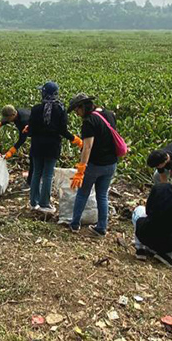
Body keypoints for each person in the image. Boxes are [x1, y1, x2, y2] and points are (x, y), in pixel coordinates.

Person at [67, 93, 119, 236]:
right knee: (102, 195)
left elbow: (87, 147)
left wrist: (81, 169)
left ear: (82, 106)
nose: (77, 114)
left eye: (77, 110)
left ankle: (75, 224)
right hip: (111, 163)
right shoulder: (108, 114)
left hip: (95, 164)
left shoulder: (89, 121)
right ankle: (102, 227)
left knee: (82, 194)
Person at [26, 82, 81, 213]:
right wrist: (75, 139)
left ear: (44, 93)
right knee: (48, 175)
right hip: (52, 146)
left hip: (37, 145)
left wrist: (30, 130)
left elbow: (31, 131)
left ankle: (33, 202)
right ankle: (44, 203)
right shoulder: (60, 109)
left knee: (36, 173)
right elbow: (63, 130)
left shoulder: (36, 109)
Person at [132, 157, 172, 264]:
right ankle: (168, 255)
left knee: (139, 210)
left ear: (170, 173)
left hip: (146, 234)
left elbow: (148, 211)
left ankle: (140, 248)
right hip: (170, 243)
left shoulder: (158, 188)